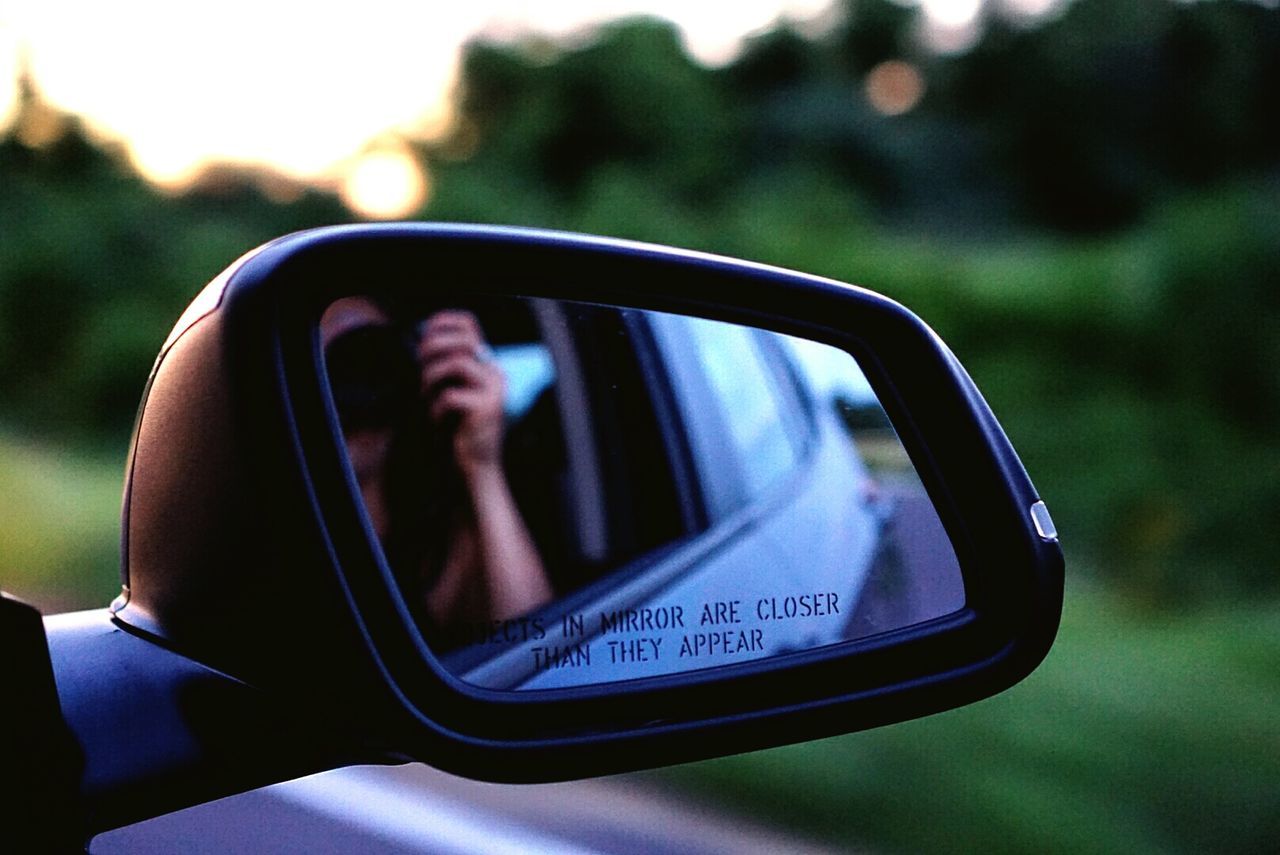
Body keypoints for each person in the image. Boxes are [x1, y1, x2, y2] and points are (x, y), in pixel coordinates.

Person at [321, 297, 552, 644]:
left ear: (405, 378)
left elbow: (539, 651)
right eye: (318, 361)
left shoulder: (440, 549)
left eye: (365, 357)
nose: (341, 382)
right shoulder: (253, 528)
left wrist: (482, 465)